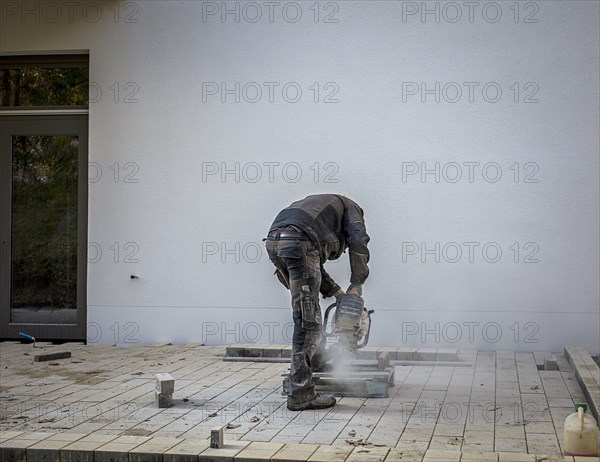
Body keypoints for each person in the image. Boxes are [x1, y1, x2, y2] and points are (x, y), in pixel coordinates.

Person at [265, 194, 370, 411]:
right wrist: (357, 283)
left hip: (276, 241)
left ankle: (316, 361)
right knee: (308, 320)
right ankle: (301, 394)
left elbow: (313, 266)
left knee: (307, 312)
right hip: (299, 243)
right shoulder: (352, 207)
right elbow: (358, 239)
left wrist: (338, 293)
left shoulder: (320, 209)